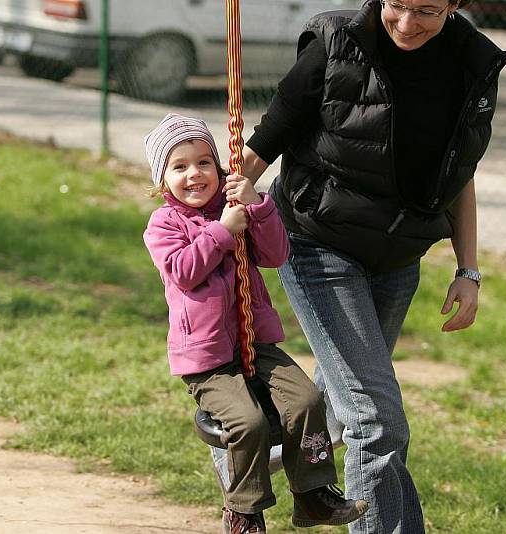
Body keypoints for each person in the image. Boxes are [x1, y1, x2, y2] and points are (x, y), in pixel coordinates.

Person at [237, 1, 506, 533]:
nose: (408, 25)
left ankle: (243, 462)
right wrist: (202, 228)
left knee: (342, 411)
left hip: (396, 260)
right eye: (397, 6)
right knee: (377, 423)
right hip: (318, 245)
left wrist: (468, 268)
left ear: (455, 5)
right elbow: (265, 143)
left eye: (428, 11)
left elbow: (459, 174)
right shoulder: (337, 46)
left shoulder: (470, 64)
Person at [142, 114, 368, 533]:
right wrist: (222, 232)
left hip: (255, 343)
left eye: (204, 162)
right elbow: (183, 270)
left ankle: (314, 495)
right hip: (207, 359)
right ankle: (243, 512)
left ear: (220, 166)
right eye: (180, 166)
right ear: (162, 180)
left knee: (307, 401)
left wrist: (258, 205)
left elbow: (276, 254)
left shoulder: (238, 207)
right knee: (248, 423)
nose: (194, 174)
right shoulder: (163, 225)